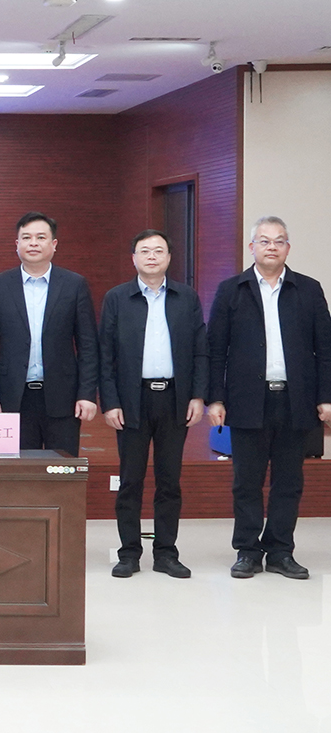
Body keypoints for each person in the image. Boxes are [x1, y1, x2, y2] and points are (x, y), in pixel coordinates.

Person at [207, 217, 331, 580]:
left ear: (288, 248)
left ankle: (280, 551)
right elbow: (215, 351)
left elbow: (325, 350)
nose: (272, 247)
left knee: (288, 481)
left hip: (296, 400)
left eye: (279, 241)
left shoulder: (308, 289)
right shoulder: (231, 290)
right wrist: (216, 398)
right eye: (264, 241)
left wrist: (326, 397)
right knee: (246, 481)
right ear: (252, 248)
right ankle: (247, 550)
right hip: (247, 398)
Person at [99, 230, 207, 579]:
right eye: (144, 251)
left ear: (169, 258)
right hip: (132, 400)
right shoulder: (117, 298)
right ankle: (129, 553)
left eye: (158, 250)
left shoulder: (186, 297)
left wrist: (198, 395)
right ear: (133, 258)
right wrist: (110, 402)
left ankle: (166, 553)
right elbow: (105, 355)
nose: (151, 256)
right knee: (130, 480)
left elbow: (200, 351)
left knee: (169, 481)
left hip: (175, 399)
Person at [0, 211, 99, 454]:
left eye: (41, 237)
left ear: (54, 244)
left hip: (63, 397)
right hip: (12, 397)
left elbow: (88, 345)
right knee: (19, 471)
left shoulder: (74, 285)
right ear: (17, 244)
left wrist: (87, 394)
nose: (33, 243)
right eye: (27, 237)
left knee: (62, 469)